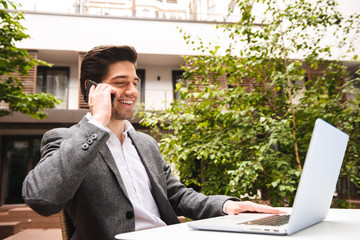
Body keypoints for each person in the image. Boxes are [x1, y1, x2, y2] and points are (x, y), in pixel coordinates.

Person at [22, 45, 283, 240]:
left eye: (135, 82)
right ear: (93, 89)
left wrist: (228, 206)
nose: (133, 91)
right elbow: (42, 199)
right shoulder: (66, 139)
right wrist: (97, 124)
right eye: (121, 83)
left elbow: (177, 196)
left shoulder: (145, 143)